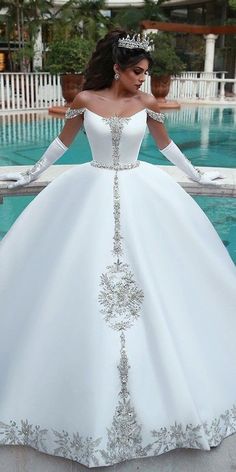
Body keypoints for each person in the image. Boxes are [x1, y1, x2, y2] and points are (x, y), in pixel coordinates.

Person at [0, 29, 235, 469]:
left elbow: (166, 147)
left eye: (146, 74)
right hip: (87, 192)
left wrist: (200, 176)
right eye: (137, 73)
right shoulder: (86, 100)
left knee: (151, 288)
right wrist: (29, 174)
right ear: (118, 69)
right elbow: (61, 143)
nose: (144, 81)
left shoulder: (146, 105)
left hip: (141, 192)